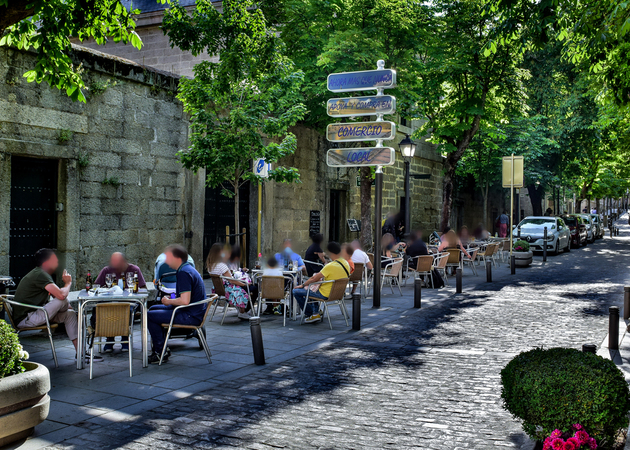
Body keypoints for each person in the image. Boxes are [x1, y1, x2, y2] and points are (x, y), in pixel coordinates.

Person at [13, 249, 102, 362]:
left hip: (37, 313)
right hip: (27, 318)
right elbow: (60, 296)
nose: (58, 263)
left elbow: (57, 295)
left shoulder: (42, 274)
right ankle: (73, 312)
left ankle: (81, 354)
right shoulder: (40, 274)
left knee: (70, 314)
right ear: (47, 262)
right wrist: (68, 283)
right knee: (62, 300)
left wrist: (67, 305)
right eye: (55, 260)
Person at [147, 245, 207, 364]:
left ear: (177, 258)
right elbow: (186, 296)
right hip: (192, 311)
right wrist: (172, 298)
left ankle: (160, 352)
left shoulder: (183, 273)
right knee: (153, 308)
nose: (166, 261)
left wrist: (169, 301)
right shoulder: (186, 269)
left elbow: (185, 301)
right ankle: (163, 347)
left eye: (168, 257)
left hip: (190, 315)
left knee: (150, 316)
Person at [94, 252, 147, 352]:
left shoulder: (134, 269)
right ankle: (109, 338)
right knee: (107, 309)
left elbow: (143, 288)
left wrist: (134, 290)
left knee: (127, 309)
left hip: (129, 302)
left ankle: (125, 338)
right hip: (110, 301)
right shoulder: (107, 270)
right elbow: (96, 287)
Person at [293, 242, 350, 324]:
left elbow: (314, 278)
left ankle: (311, 314)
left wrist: (302, 285)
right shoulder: (345, 263)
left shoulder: (330, 266)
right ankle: (316, 311)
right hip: (338, 294)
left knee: (297, 291)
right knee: (313, 289)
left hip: (325, 294)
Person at [206, 243, 257, 320]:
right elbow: (232, 281)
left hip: (220, 289)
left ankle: (242, 309)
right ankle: (243, 311)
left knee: (250, 286)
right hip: (229, 289)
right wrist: (244, 284)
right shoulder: (222, 265)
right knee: (255, 288)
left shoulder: (211, 265)